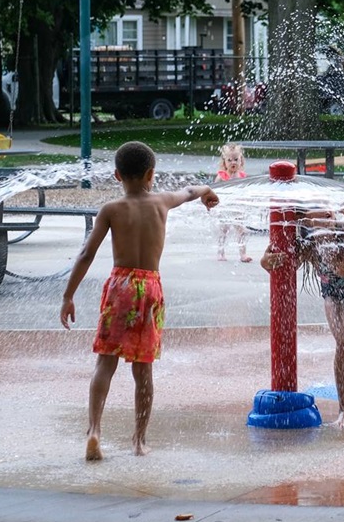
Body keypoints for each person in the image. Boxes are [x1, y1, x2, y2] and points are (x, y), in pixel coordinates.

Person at [60, 141, 219, 461]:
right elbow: (190, 191)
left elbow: (86, 254)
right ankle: (139, 440)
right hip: (149, 289)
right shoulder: (162, 202)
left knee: (106, 362)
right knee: (143, 370)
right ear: (151, 174)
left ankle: (94, 431)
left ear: (117, 175)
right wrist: (207, 191)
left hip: (120, 286)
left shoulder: (111, 209)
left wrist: (68, 295)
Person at [260, 207, 344, 430]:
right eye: (320, 213)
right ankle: (343, 410)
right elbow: (285, 267)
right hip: (334, 294)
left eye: (330, 211)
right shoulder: (309, 246)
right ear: (307, 221)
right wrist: (265, 262)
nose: (328, 214)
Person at [215, 143, 252, 262]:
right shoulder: (222, 176)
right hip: (225, 208)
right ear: (224, 162)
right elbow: (214, 190)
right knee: (223, 231)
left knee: (241, 231)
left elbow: (246, 191)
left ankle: (243, 254)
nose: (233, 162)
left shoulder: (242, 176)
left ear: (241, 160)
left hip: (237, 208)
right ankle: (220, 252)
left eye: (236, 159)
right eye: (229, 160)